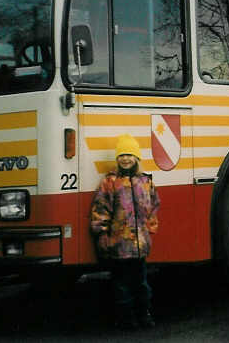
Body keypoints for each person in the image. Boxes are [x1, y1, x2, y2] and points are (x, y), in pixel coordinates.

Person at [90, 134, 161, 329]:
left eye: (130, 154)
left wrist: (149, 230)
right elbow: (101, 209)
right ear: (117, 159)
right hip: (119, 245)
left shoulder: (146, 182)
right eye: (122, 155)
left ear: (137, 158)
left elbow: (154, 206)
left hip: (140, 246)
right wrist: (102, 233)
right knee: (121, 284)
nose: (126, 159)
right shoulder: (110, 182)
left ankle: (144, 314)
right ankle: (125, 318)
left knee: (142, 283)